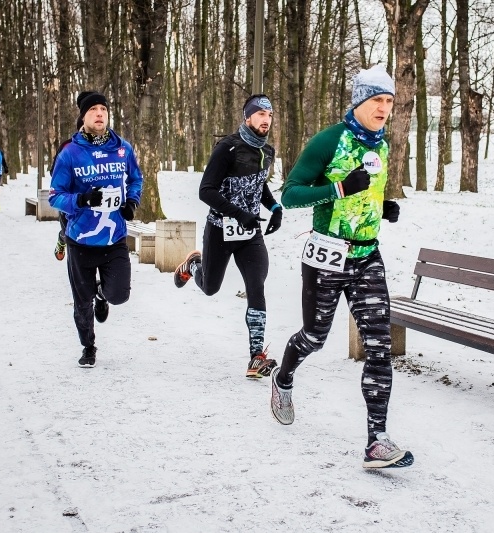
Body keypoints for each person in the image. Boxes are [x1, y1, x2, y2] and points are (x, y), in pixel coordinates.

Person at [269, 65, 412, 469]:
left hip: (367, 255)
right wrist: (339, 189)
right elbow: (290, 195)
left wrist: (381, 208)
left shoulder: (381, 145)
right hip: (327, 255)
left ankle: (377, 441)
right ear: (359, 101)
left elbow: (365, 193)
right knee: (314, 337)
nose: (384, 108)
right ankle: (284, 377)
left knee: (380, 346)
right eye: (377, 100)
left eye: (389, 101)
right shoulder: (329, 140)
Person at [173, 94, 284, 379]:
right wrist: (238, 213)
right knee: (210, 288)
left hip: (250, 234)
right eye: (260, 114)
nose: (265, 120)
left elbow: (259, 187)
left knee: (256, 285)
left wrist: (274, 208)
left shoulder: (267, 151)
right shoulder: (227, 148)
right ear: (248, 117)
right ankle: (193, 265)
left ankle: (256, 357)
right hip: (220, 230)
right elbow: (205, 191)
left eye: (269, 115)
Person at [49, 91, 143, 368]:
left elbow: (136, 179)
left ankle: (103, 295)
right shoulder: (70, 153)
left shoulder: (122, 148)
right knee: (82, 301)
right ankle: (88, 346)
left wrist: (132, 202)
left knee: (120, 295)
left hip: (114, 237)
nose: (100, 113)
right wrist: (82, 200)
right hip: (80, 238)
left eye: (103, 109)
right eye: (93, 110)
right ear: (83, 116)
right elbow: (55, 195)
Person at [51, 114, 85, 261]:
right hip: (70, 200)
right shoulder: (67, 147)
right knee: (70, 234)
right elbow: (54, 172)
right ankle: (62, 237)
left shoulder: (105, 148)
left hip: (95, 203)